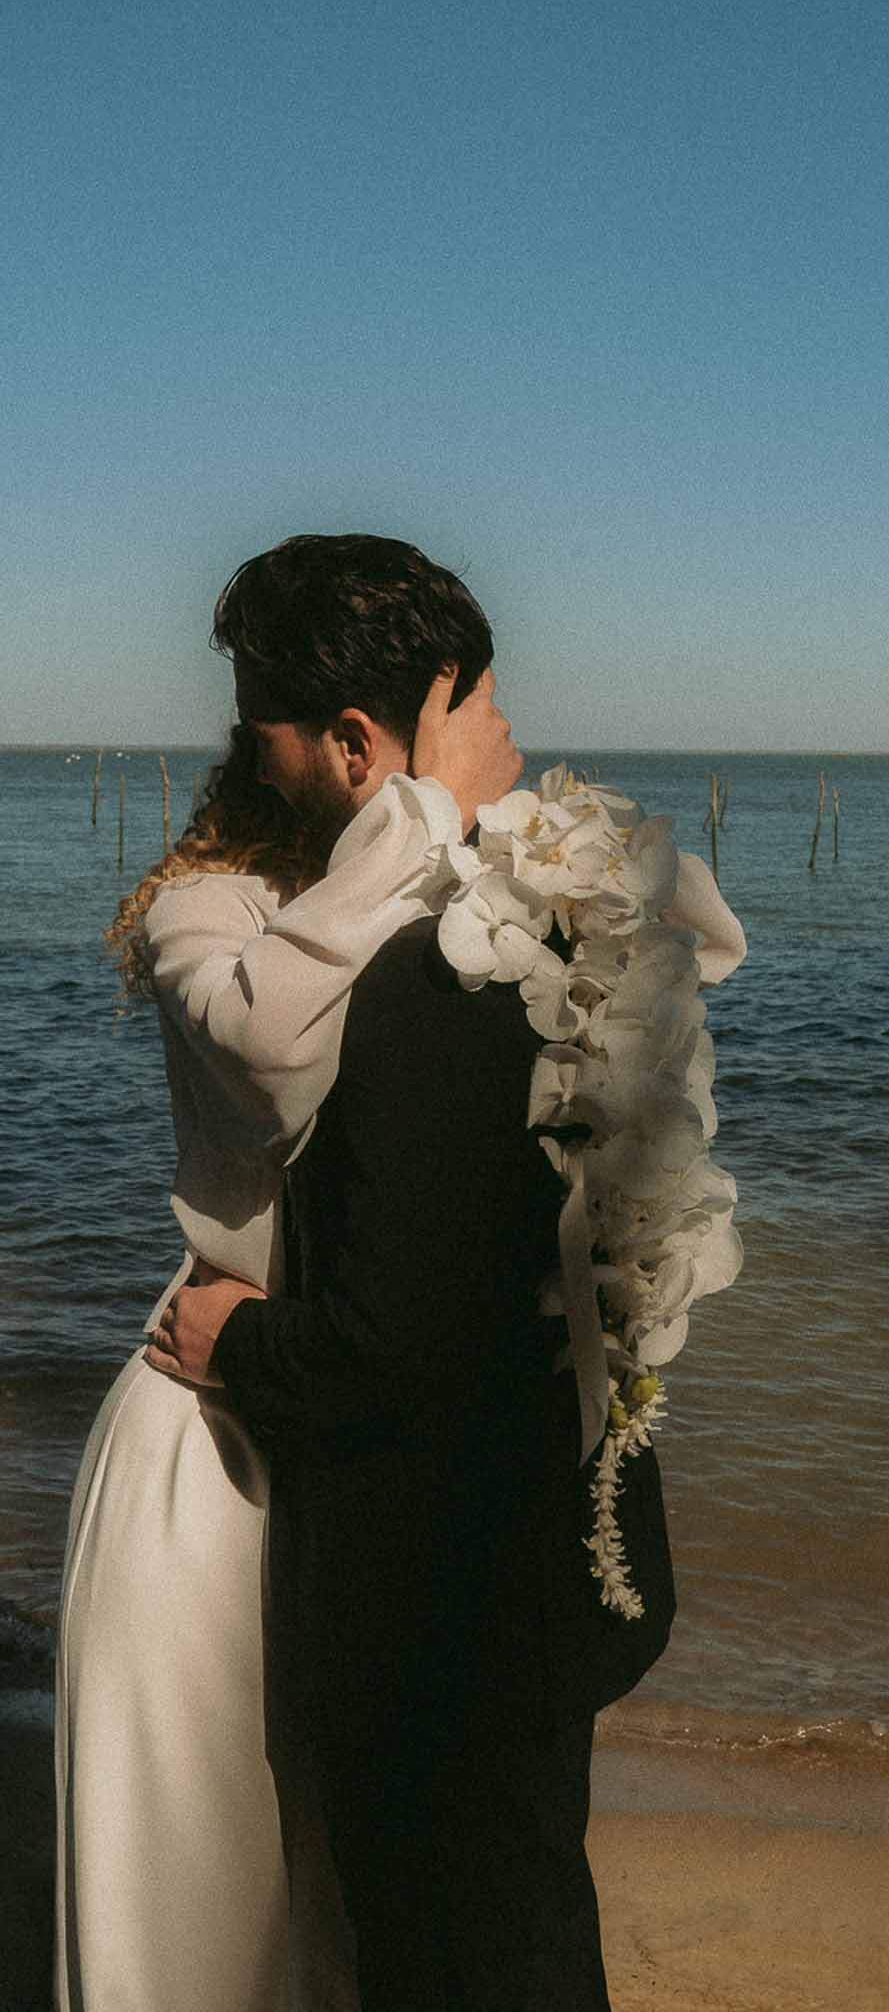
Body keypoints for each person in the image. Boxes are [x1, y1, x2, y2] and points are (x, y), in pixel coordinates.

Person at [106, 534, 746, 2010]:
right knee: (521, 1921)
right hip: (548, 1539)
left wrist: (234, 1346)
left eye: (258, 723)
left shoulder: (422, 977)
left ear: (343, 742)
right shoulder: (574, 919)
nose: (236, 753)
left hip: (432, 1590)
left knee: (447, 1947)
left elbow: (388, 1345)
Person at [58, 620, 522, 2009]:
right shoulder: (208, 908)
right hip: (214, 1422)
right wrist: (425, 815)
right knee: (198, 1867)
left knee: (349, 1868)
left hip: (371, 1410)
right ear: (374, 746)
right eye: (458, 732)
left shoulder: (471, 885)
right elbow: (271, 1051)